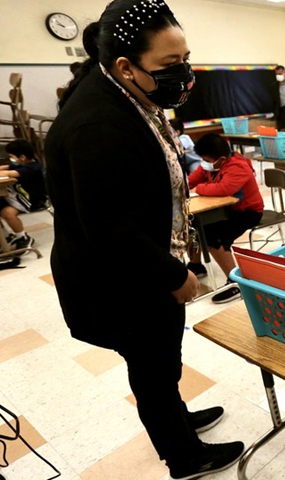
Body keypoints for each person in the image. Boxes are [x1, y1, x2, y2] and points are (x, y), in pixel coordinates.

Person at [44, 2, 244, 479]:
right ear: (124, 66)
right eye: (171, 66)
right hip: (120, 279)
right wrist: (173, 274)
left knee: (161, 362)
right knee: (152, 369)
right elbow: (109, 227)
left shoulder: (129, 96)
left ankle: (179, 422)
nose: (186, 75)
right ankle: (184, 456)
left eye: (186, 59)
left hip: (141, 262)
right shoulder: (99, 124)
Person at [187, 133, 264, 304]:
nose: (203, 163)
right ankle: (195, 265)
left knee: (215, 237)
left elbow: (224, 188)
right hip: (225, 210)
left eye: (206, 159)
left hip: (248, 212)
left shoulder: (238, 166)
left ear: (221, 159)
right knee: (193, 224)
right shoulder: (211, 164)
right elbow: (191, 180)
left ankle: (237, 282)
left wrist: (199, 188)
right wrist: (183, 186)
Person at [1, 139, 47, 251]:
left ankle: (23, 237)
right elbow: (5, 168)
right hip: (19, 197)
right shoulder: (21, 164)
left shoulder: (33, 168)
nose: (11, 160)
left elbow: (8, 173)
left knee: (7, 213)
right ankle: (7, 236)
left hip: (33, 200)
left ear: (22, 157)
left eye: (11, 156)